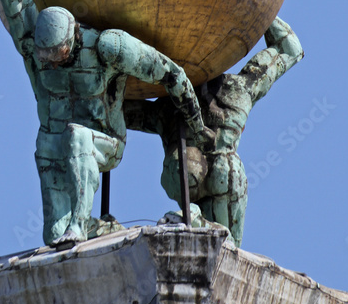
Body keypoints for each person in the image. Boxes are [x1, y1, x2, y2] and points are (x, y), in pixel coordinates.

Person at [0, 0, 212, 247]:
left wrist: (196, 128)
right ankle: (108, 231)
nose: (51, 66)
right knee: (53, 236)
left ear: (72, 40)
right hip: (52, 143)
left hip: (102, 141)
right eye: (45, 60)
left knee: (77, 136)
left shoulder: (107, 48)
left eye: (58, 58)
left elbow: (172, 73)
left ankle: (79, 225)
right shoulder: (31, 44)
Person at [124, 18, 304, 247]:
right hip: (223, 175)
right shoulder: (240, 89)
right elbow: (289, 49)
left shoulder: (165, 108)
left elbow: (115, 109)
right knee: (226, 245)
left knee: (215, 170)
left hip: (199, 176)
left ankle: (202, 223)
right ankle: (206, 227)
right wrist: (260, 7)